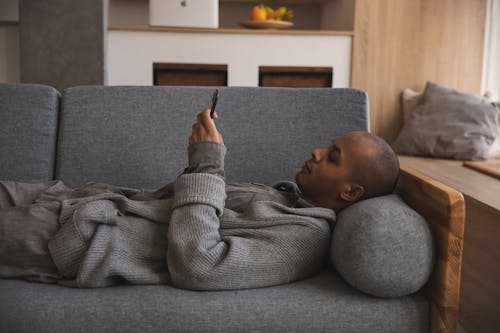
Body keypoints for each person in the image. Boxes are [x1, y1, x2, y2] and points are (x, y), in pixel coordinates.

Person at [0, 109, 399, 290]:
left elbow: (200, 267)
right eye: (325, 148)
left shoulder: (304, 241)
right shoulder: (286, 199)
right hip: (75, 198)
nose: (315, 152)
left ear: (351, 192)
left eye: (332, 157)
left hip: (78, 234)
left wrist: (207, 166)